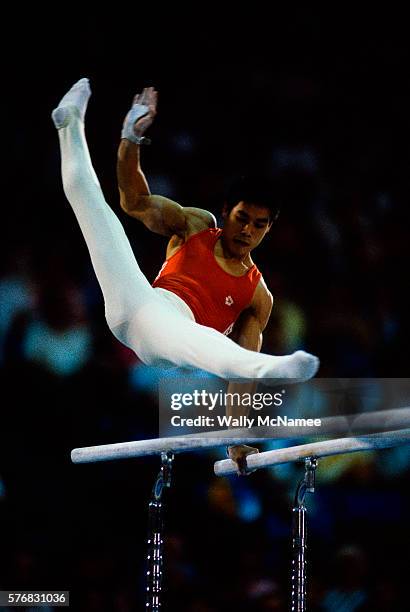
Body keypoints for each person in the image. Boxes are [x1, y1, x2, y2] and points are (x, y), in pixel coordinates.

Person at [51, 78, 319, 472]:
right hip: (138, 306)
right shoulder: (196, 225)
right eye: (242, 218)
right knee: (94, 207)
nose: (247, 230)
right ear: (226, 211)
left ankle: (273, 368)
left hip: (176, 345)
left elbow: (237, 374)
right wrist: (130, 140)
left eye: (259, 225)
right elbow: (134, 201)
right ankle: (68, 123)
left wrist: (237, 439)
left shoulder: (256, 295)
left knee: (227, 353)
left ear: (268, 229)